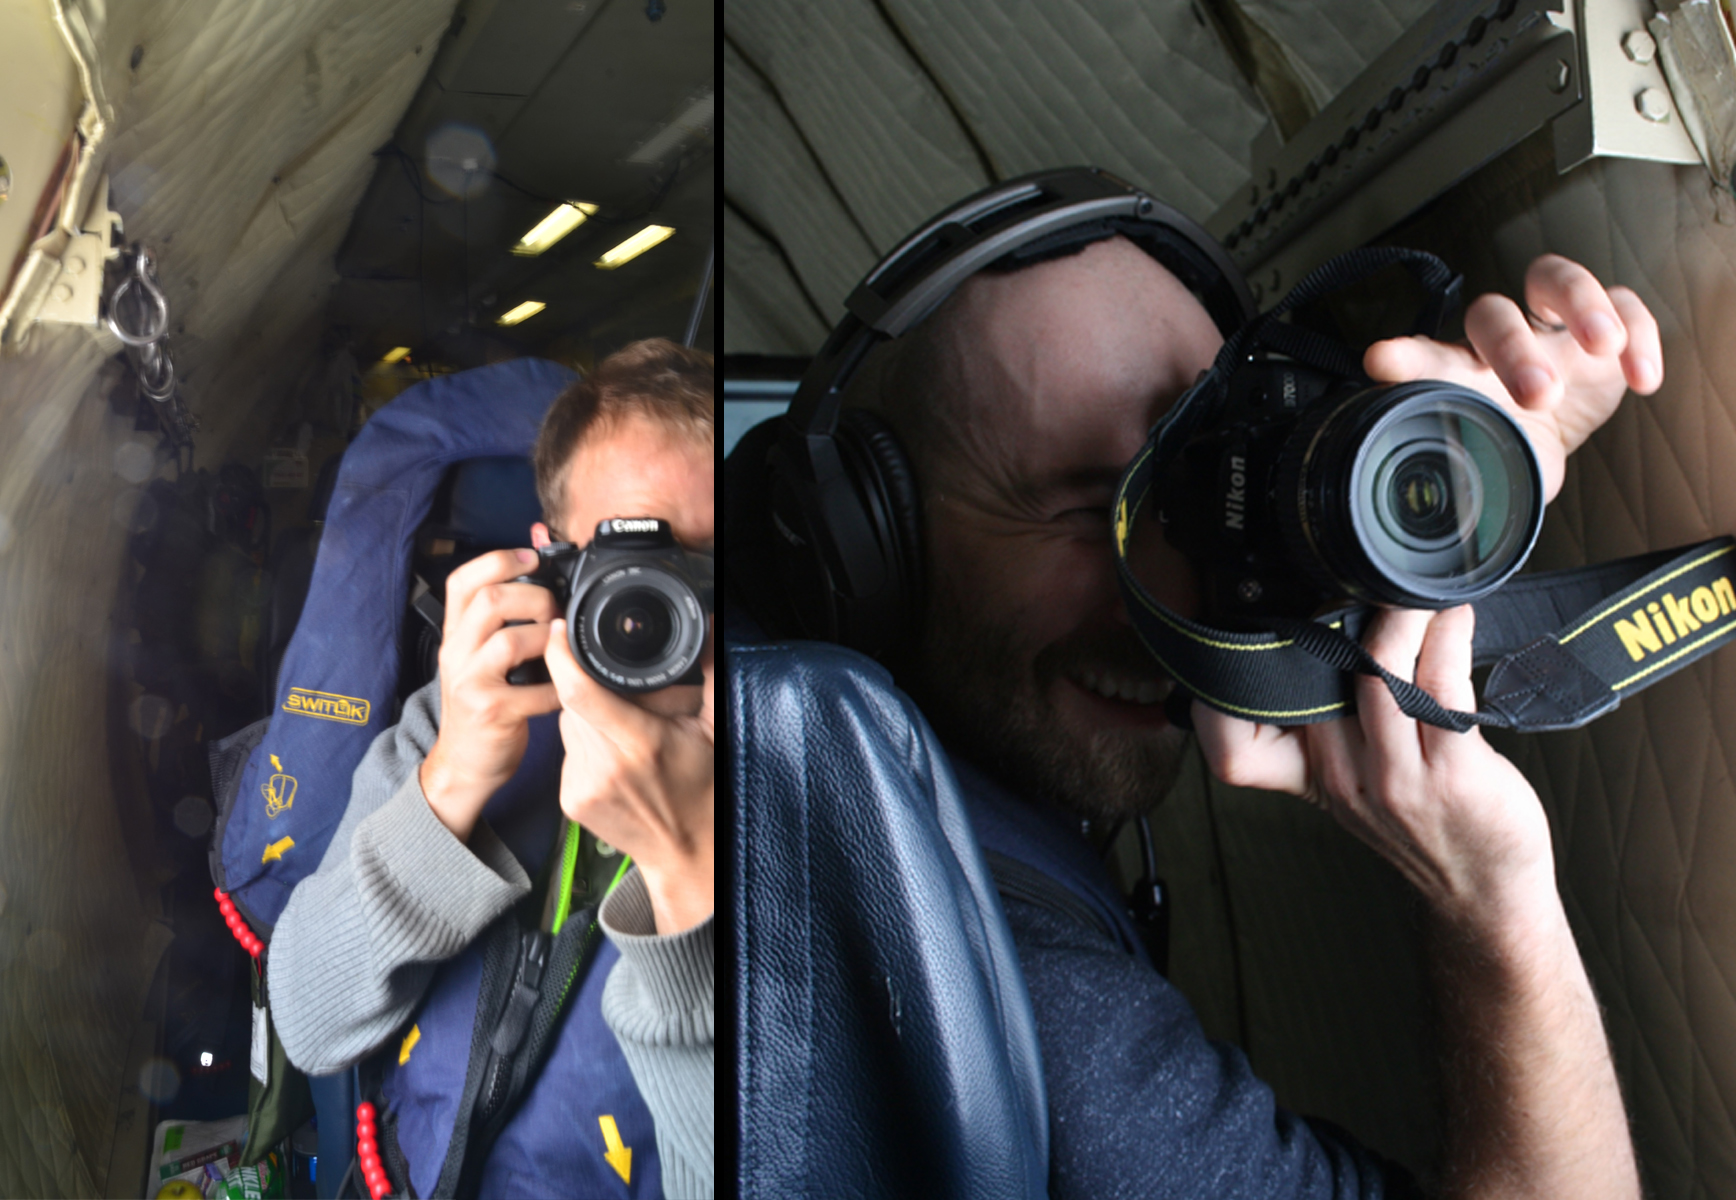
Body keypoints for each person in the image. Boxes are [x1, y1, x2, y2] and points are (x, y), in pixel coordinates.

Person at [774, 224, 1661, 1197]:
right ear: (865, 540)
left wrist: (1483, 474)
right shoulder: (1023, 996)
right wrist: (1492, 899)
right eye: (1090, 513)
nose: (1164, 600)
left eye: (1200, 495)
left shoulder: (810, 756)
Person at [268, 337, 715, 1199]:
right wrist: (451, 782)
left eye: (703, 572)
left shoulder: (796, 780)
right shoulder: (466, 716)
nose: (667, 613)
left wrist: (689, 878)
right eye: (633, 568)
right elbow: (310, 1023)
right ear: (552, 559)